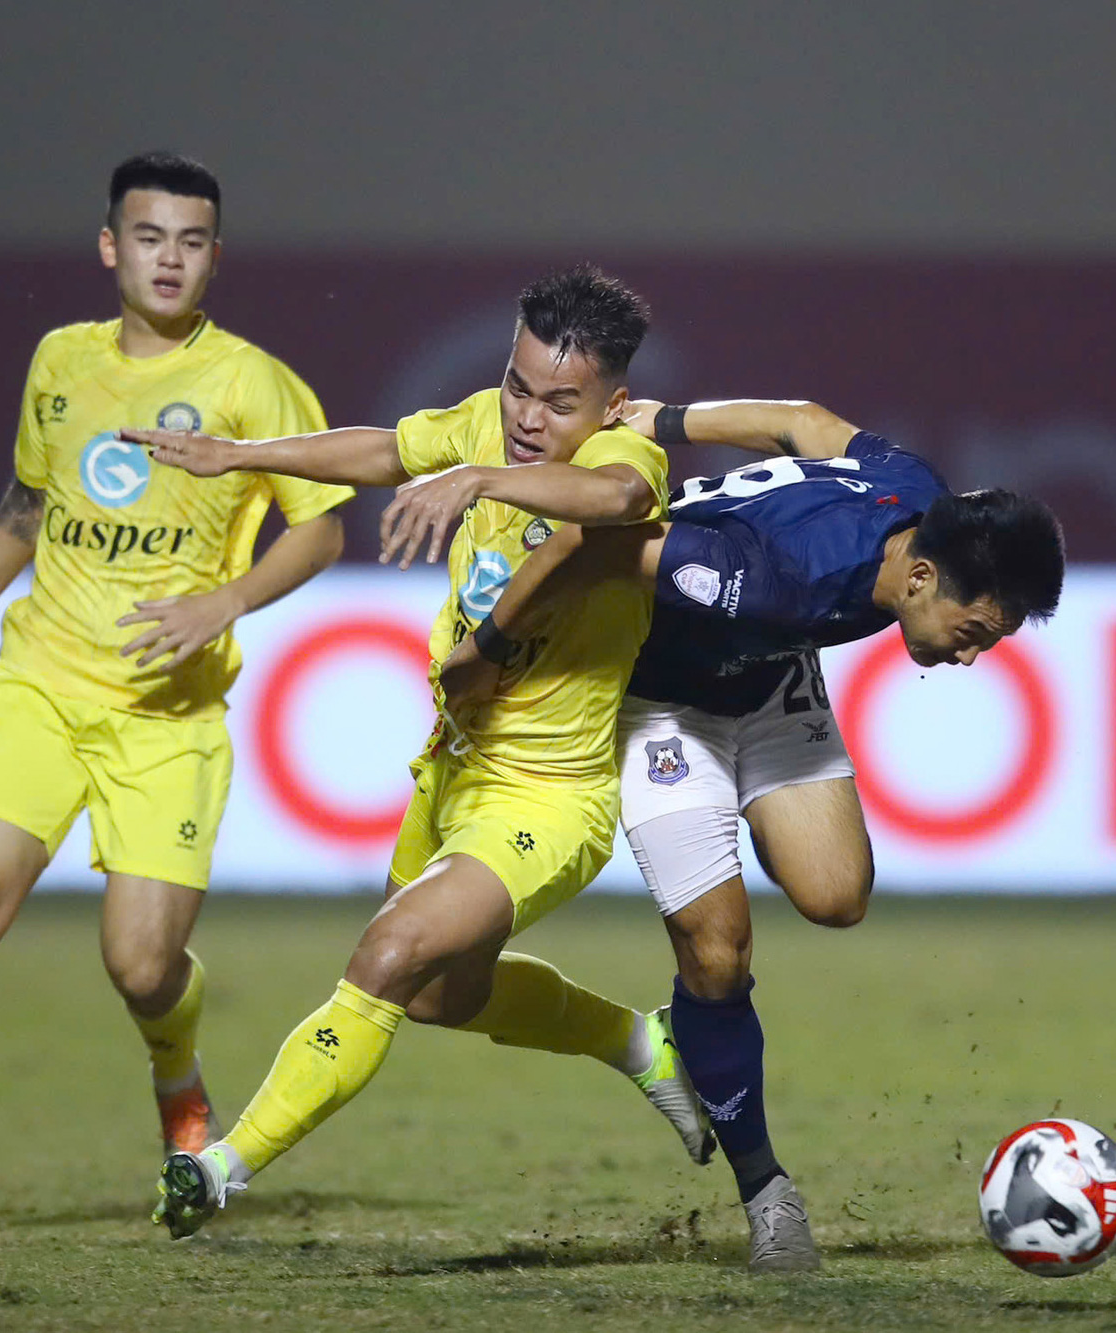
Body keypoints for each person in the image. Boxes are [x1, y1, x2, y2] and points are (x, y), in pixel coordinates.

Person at [0, 152, 355, 1223]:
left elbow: (321, 527)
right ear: (110, 247)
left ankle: (178, 1079)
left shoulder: (251, 383)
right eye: (149, 237)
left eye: (191, 241)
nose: (169, 259)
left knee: (141, 967)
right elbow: (24, 507)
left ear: (215, 257)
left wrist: (220, 604)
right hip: (42, 684)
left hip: (166, 718)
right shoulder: (60, 361)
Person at [132, 265, 716, 1241]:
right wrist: (236, 456)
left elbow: (607, 495)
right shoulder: (485, 423)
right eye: (516, 385)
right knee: (444, 994)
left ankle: (218, 1168)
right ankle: (638, 1040)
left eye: (557, 401)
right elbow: (383, 448)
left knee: (387, 955)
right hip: (448, 771)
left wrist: (477, 476)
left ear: (612, 403)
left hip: (548, 798)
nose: (526, 415)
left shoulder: (629, 455)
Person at [441, 397, 1065, 1268]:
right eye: (972, 635)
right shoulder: (772, 573)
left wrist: (669, 416)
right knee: (720, 954)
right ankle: (768, 1193)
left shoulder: (916, 495)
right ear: (921, 580)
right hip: (662, 702)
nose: (968, 657)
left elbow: (805, 422)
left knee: (837, 895)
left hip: (771, 680)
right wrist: (493, 647)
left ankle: (700, 1023)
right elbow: (590, 545)